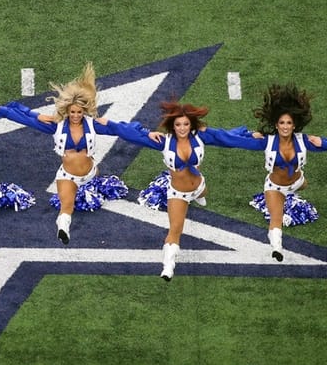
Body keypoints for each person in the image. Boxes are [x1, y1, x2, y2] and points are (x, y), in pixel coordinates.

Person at [0, 62, 151, 244]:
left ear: (84, 111)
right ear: (67, 111)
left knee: (91, 190)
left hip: (91, 173)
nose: (76, 115)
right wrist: (1, 110)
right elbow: (26, 119)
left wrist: (147, 134)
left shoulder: (93, 124)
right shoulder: (57, 125)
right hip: (68, 176)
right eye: (72, 112)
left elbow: (121, 130)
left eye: (79, 112)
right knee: (67, 207)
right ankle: (63, 229)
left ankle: (68, 221)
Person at [107, 100, 264, 280]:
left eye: (186, 124)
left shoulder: (200, 136)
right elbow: (131, 134)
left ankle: (198, 195)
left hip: (199, 185)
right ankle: (168, 266)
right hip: (177, 193)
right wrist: (109, 124)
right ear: (172, 126)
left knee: (202, 194)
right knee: (175, 229)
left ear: (191, 124)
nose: (182, 128)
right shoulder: (163, 141)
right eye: (178, 125)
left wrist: (251, 135)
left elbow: (227, 137)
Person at [247, 83, 327, 261]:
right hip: (275, 188)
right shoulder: (267, 141)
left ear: (294, 125)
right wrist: (248, 134)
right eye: (282, 122)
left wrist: (322, 142)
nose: (285, 126)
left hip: (298, 181)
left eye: (289, 123)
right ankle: (277, 248)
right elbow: (233, 140)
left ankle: (295, 190)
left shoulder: (303, 140)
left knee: (303, 184)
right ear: (276, 125)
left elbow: (323, 145)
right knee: (276, 218)